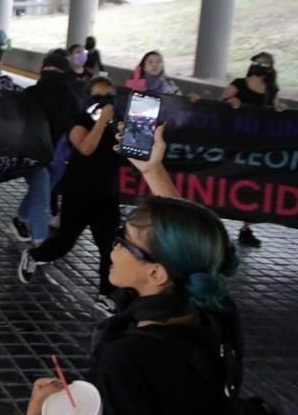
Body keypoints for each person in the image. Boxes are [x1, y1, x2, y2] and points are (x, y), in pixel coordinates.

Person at [26, 126, 245, 415]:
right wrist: (153, 170)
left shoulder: (127, 359)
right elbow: (196, 241)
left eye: (123, 242)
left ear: (156, 273)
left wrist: (35, 410)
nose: (113, 249)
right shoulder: (216, 311)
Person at [19, 76, 122, 314]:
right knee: (65, 242)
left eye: (109, 97)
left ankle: (106, 293)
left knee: (108, 246)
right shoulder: (80, 120)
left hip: (107, 194)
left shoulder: (119, 122)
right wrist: (101, 122)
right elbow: (85, 148)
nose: (104, 103)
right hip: (80, 192)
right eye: (98, 97)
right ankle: (35, 255)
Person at [10, 51, 80, 247]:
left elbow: (77, 125)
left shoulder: (70, 99)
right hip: (31, 154)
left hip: (58, 156)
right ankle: (40, 243)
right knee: (42, 193)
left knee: (41, 190)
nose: (50, 73)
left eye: (56, 69)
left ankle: (20, 219)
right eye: (47, 68)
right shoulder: (30, 94)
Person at [220, 52, 286, 248]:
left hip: (255, 144)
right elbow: (220, 101)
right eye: (257, 63)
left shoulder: (271, 89)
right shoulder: (239, 83)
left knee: (252, 184)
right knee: (224, 181)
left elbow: (275, 106)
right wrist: (231, 102)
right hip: (233, 141)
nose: (260, 66)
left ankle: (246, 229)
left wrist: (280, 109)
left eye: (264, 64)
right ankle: (214, 224)